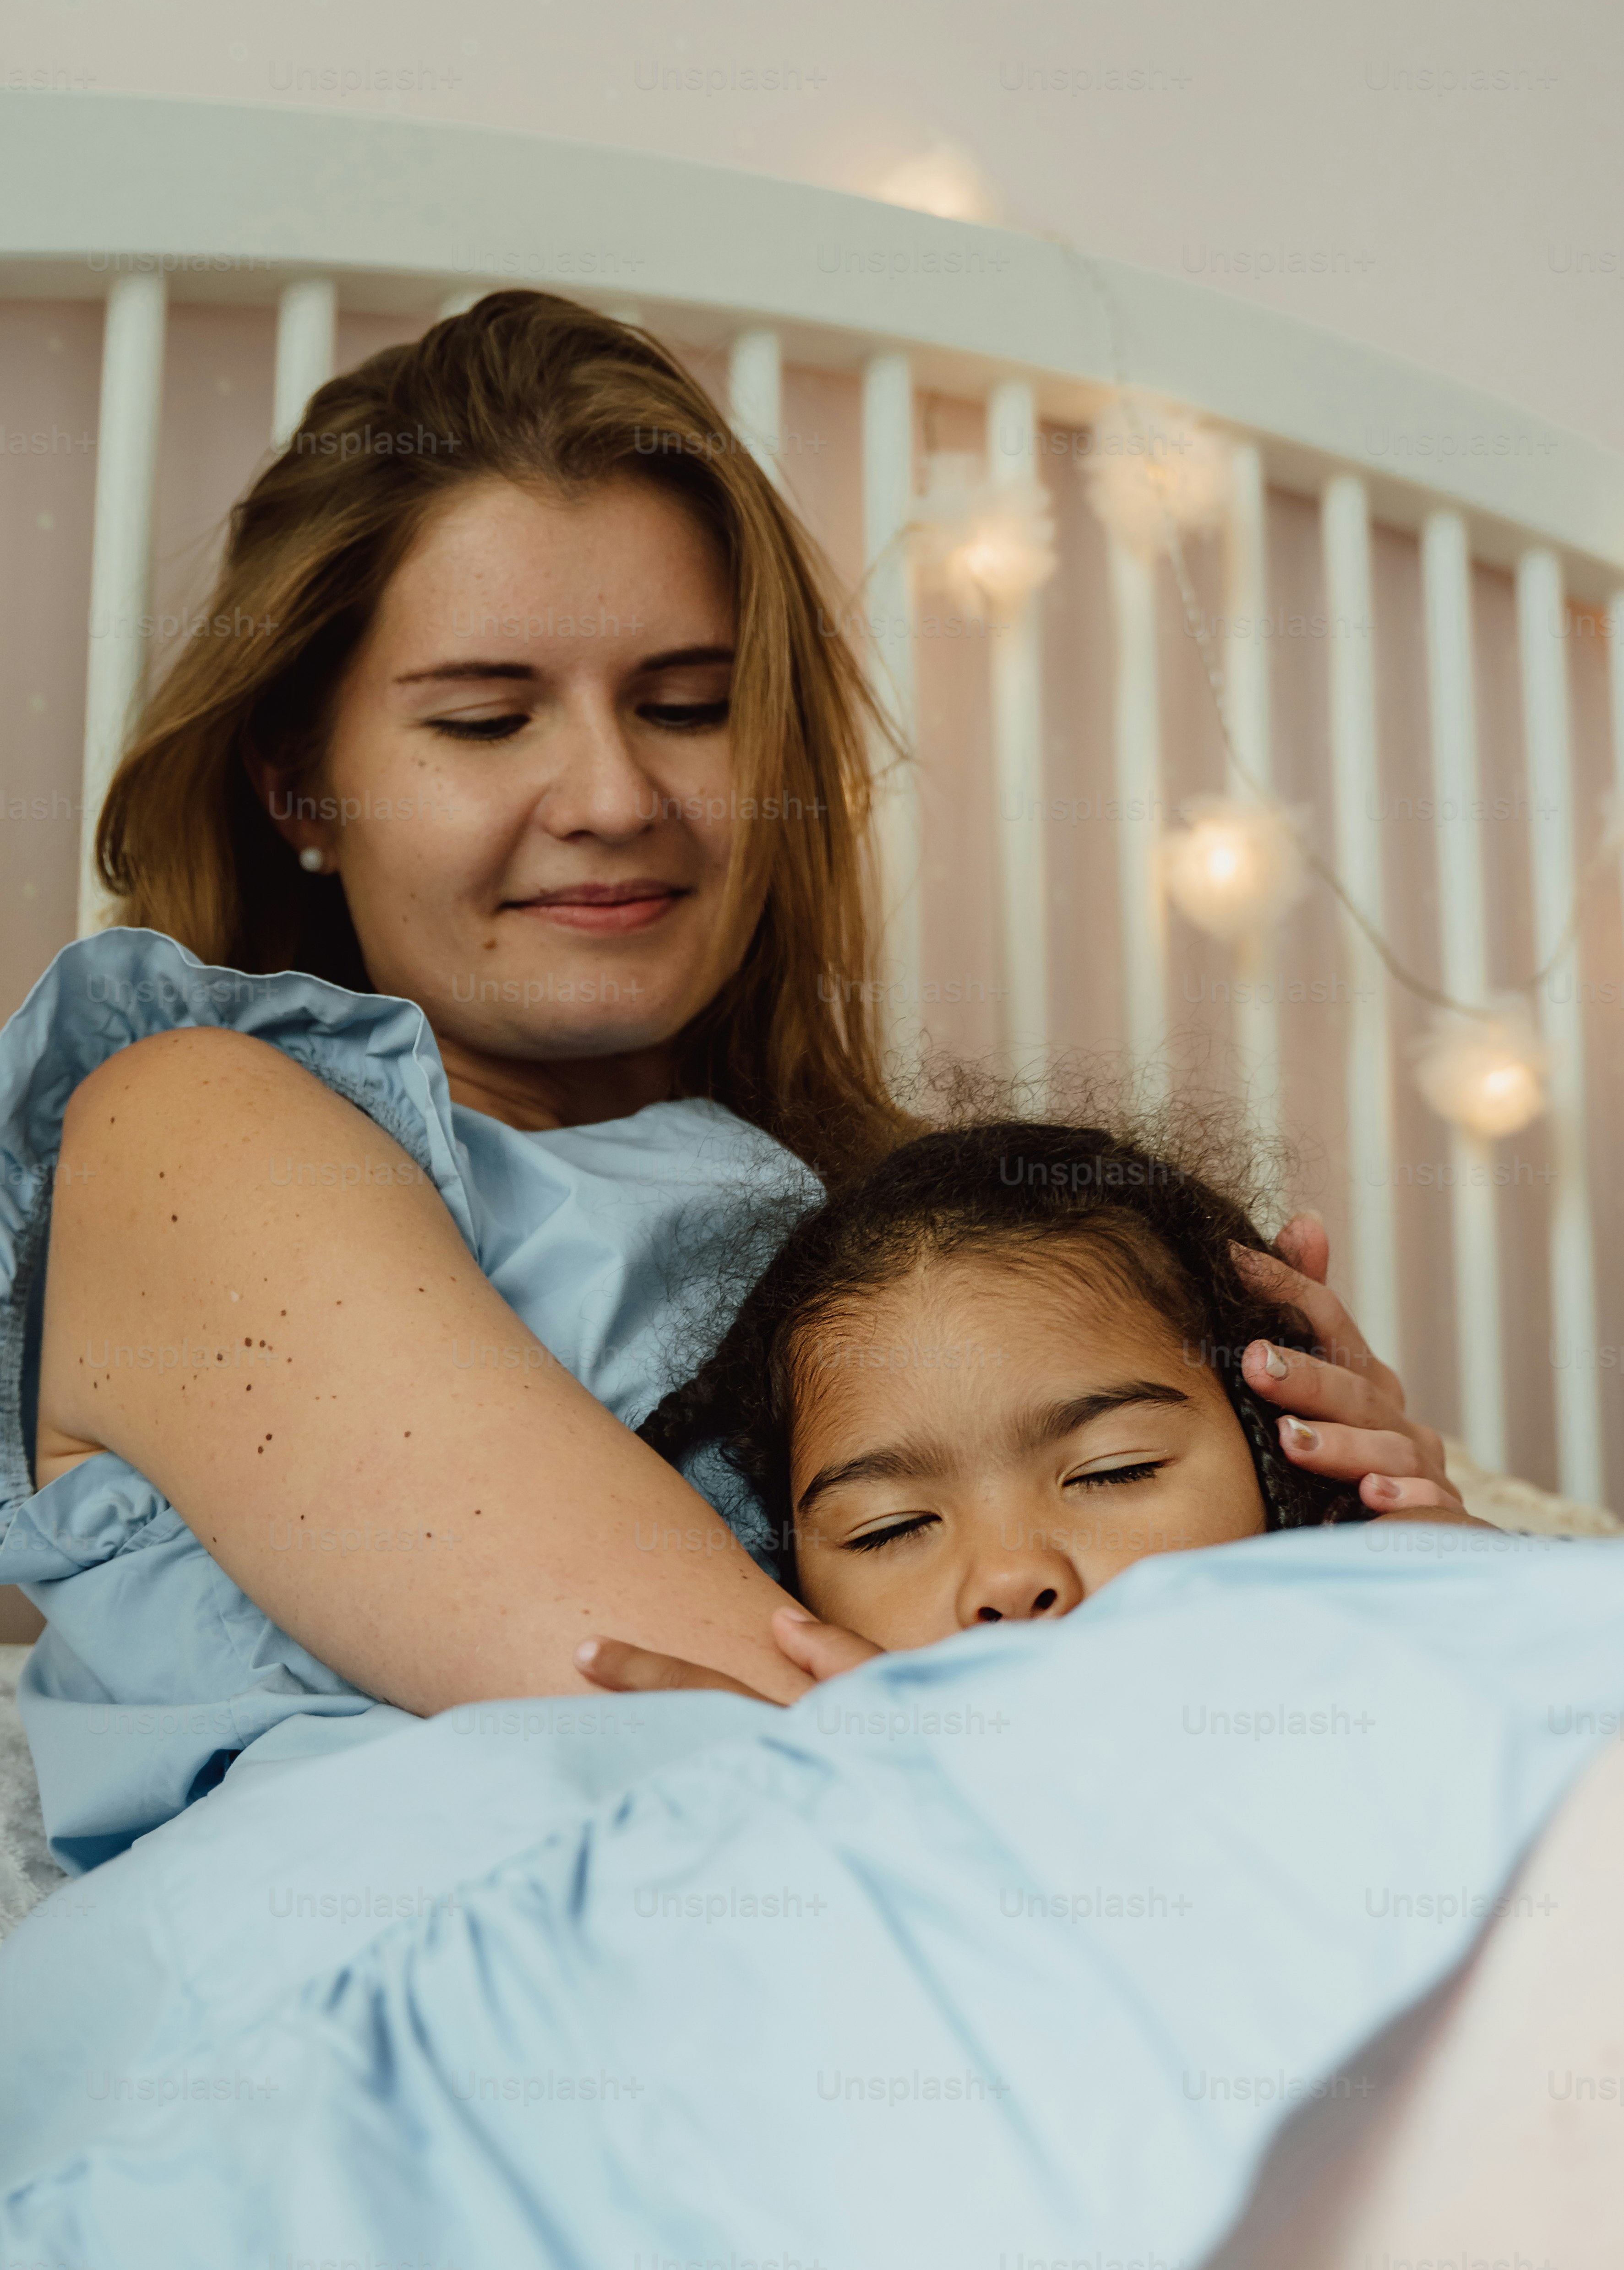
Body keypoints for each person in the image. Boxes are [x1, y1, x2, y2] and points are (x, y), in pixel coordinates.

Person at [0, 291, 1458, 1867]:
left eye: (688, 708)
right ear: (299, 783)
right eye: (486, 720)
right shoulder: (189, 1131)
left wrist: (1392, 1564)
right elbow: (785, 1758)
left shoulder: (904, 1241)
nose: (615, 797)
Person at [577, 1115, 1486, 1699]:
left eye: (1112, 1471)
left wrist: (1471, 1596)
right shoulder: (829, 1815)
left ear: (1280, 1457)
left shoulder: (1401, 1663)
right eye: (891, 1527)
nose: (1010, 1579)